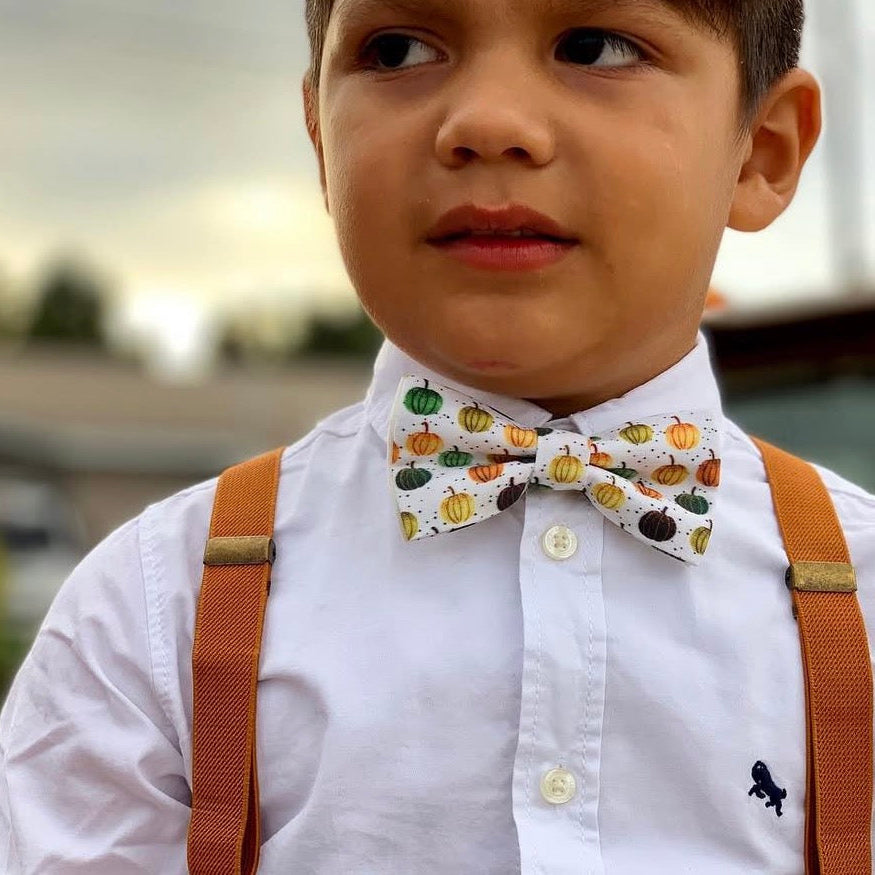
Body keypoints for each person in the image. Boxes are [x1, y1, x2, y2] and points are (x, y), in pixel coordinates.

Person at [1, 0, 873, 871]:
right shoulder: (151, 616)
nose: (486, 122)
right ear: (319, 139)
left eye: (595, 47)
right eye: (398, 49)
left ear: (762, 151)